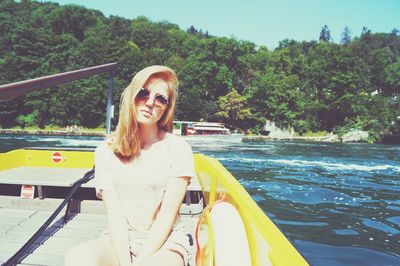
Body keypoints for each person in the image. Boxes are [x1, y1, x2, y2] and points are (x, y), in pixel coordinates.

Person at [65, 65, 196, 266]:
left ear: (167, 108)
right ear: (132, 96)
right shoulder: (105, 151)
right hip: (120, 239)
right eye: (143, 93)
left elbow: (166, 217)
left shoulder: (179, 149)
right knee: (78, 258)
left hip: (166, 242)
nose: (150, 102)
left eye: (160, 98)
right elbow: (115, 215)